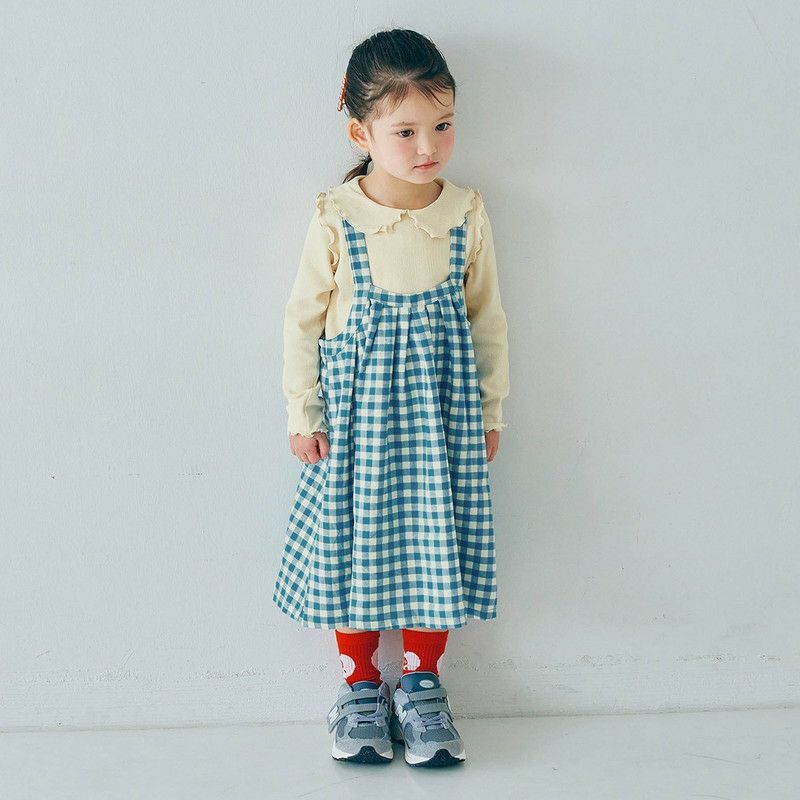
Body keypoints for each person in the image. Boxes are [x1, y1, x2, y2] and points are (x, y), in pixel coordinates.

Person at [272, 28, 510, 767]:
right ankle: (359, 687)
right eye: (405, 130)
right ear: (361, 132)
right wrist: (302, 411)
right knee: (354, 547)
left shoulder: (464, 211)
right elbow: (303, 319)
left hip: (441, 417)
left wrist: (491, 410)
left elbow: (487, 318)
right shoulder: (338, 215)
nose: (427, 146)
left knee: (435, 542)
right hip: (357, 421)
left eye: (442, 125)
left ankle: (422, 683)